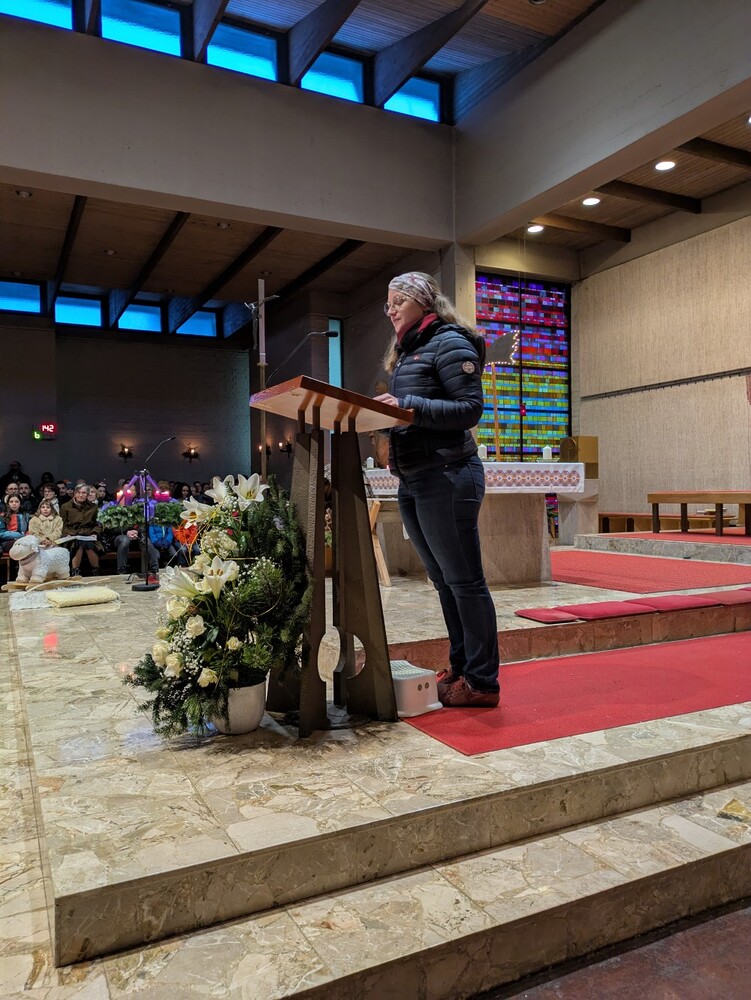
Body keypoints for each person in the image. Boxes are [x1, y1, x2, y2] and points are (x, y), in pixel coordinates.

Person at [375, 271, 500, 708]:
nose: (390, 309)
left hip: (447, 474)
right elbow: (417, 415)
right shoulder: (409, 350)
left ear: (423, 302)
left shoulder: (449, 342)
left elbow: (469, 409)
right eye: (388, 303)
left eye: (398, 301)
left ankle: (482, 682)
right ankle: (462, 667)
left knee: (465, 582)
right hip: (415, 476)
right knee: (445, 583)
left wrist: (406, 408)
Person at [60, 483, 102, 575]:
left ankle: (95, 570)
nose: (81, 495)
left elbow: (98, 524)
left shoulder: (93, 507)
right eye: (78, 492)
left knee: (88, 544)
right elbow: (63, 524)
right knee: (78, 544)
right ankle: (75, 571)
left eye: (84, 493)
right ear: (74, 493)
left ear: (87, 495)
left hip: (88, 534)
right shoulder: (65, 507)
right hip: (72, 534)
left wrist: (94, 532)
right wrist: (68, 533)